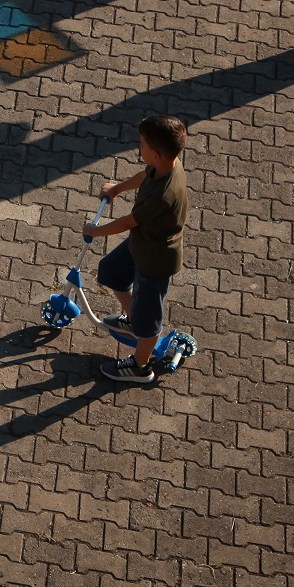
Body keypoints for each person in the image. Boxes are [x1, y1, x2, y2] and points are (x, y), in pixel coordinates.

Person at [82, 114, 190, 385]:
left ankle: (141, 366)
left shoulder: (162, 195)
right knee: (110, 271)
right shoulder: (166, 165)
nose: (138, 148)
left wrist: (96, 231)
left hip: (155, 259)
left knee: (149, 321)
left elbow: (129, 221)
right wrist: (117, 188)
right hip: (143, 243)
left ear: (154, 153)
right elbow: (145, 175)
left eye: (141, 144)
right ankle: (133, 320)